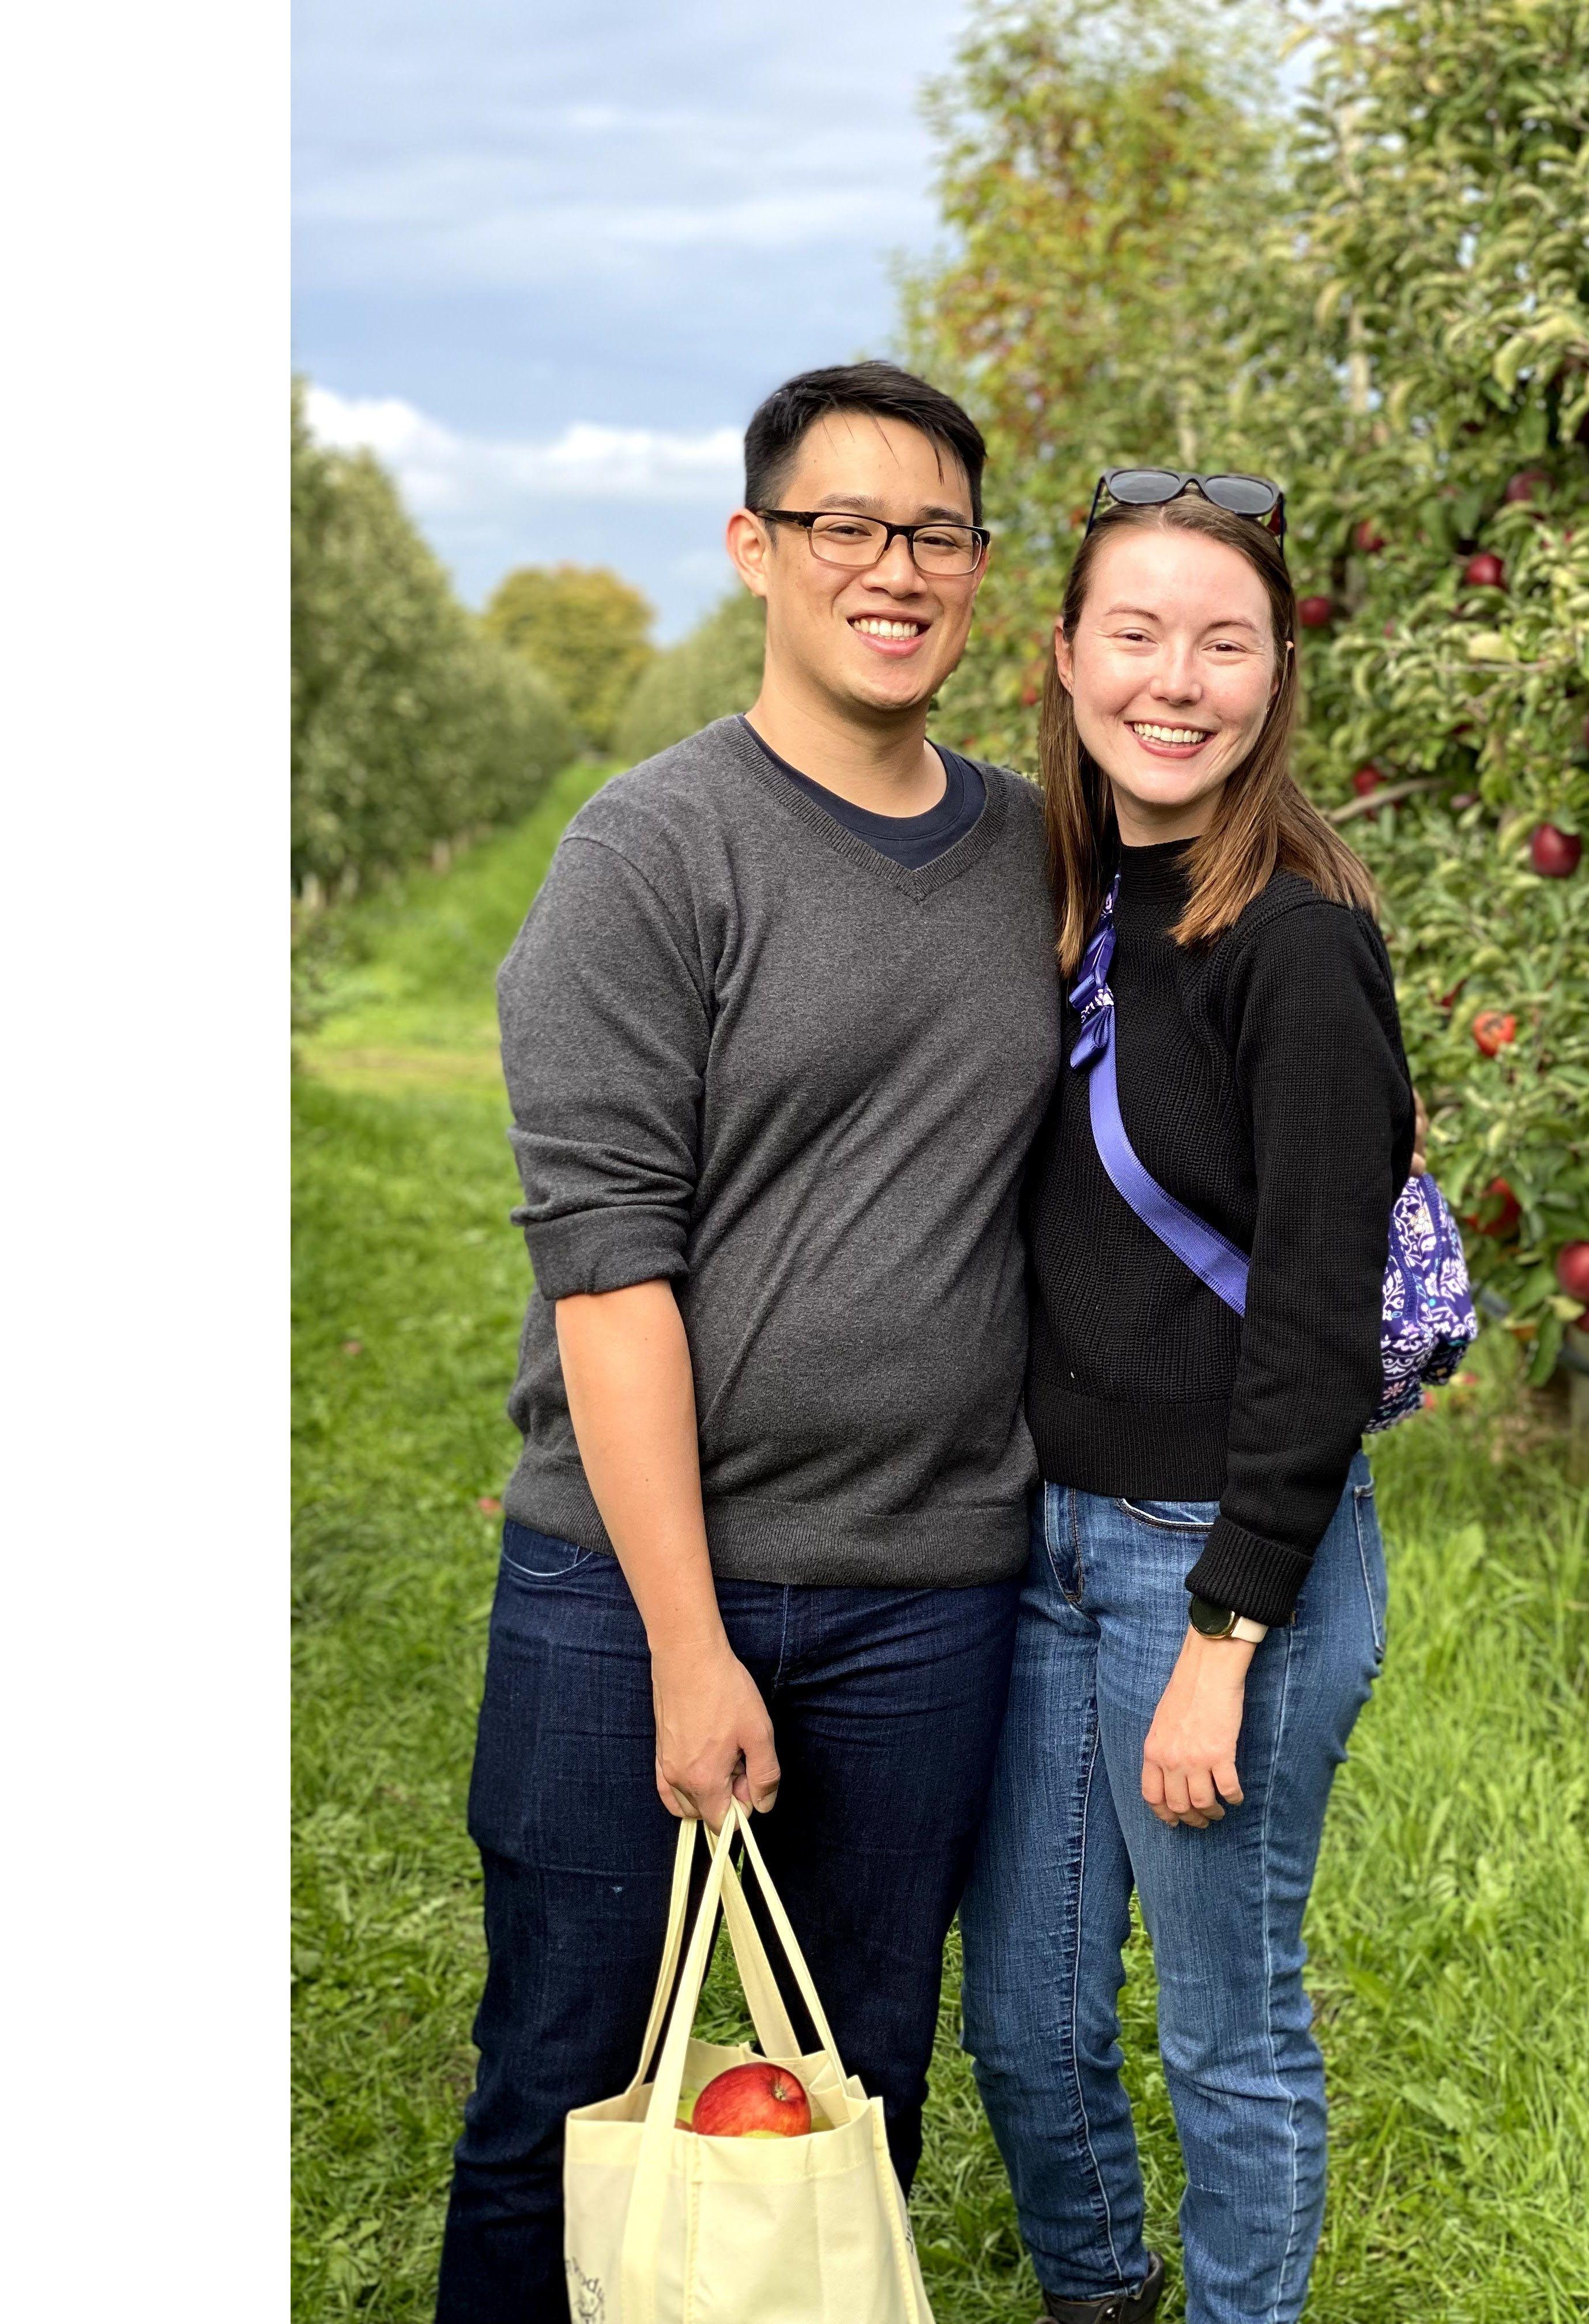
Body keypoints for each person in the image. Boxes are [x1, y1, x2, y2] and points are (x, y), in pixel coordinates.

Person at [435, 361, 1062, 2323]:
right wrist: (690, 1646)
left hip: (928, 1583)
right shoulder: (650, 854)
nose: (896, 569)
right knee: (564, 2082)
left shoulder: (1040, 856)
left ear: (978, 567)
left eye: (937, 533)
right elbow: (608, 1273)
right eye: (845, 526)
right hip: (626, 1589)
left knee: (852, 2094)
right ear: (755, 549)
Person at [958, 471, 1416, 2324]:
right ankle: (1100, 2291)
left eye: (1223, 644)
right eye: (1136, 634)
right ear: (1065, 657)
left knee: (1227, 2033)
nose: (1176, 680)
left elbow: (1315, 1325)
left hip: (1218, 1558)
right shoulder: (1064, 901)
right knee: (1023, 2013)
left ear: (1276, 676)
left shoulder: (1297, 947)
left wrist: (1226, 1633)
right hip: (1045, 1541)